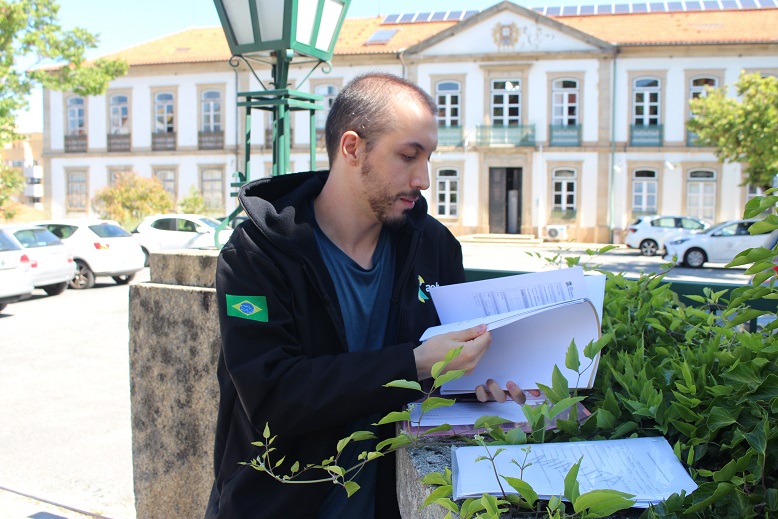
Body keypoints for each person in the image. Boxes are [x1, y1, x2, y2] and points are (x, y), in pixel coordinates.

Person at [205, 72, 530, 519]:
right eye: (408, 156)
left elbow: (446, 383)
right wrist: (414, 362)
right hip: (274, 504)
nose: (424, 179)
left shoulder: (434, 247)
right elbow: (273, 397)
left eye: (429, 157)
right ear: (353, 148)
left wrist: (486, 396)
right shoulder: (258, 253)